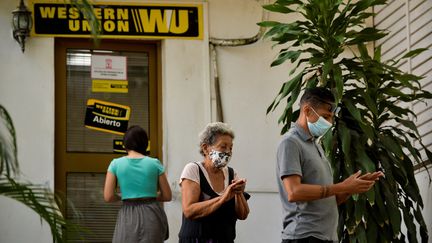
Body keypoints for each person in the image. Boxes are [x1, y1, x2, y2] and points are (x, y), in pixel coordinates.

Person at [276, 87, 384, 243]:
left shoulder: (315, 146)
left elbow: (326, 199)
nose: (330, 123)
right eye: (325, 116)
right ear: (307, 110)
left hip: (324, 237)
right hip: (303, 236)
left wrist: (350, 188)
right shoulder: (291, 143)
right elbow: (294, 192)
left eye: (331, 117)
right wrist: (342, 187)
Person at [178, 122, 250, 243]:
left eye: (230, 148)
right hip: (196, 239)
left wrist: (239, 193)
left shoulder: (232, 174)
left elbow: (243, 215)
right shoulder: (193, 170)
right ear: (206, 148)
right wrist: (223, 198)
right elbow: (189, 210)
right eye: (223, 146)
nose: (228, 152)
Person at [104, 125, 171, 243]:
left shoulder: (115, 164)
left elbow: (108, 196)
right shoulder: (154, 163)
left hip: (128, 214)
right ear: (145, 143)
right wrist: (151, 195)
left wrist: (122, 196)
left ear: (125, 144)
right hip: (152, 213)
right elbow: (167, 196)